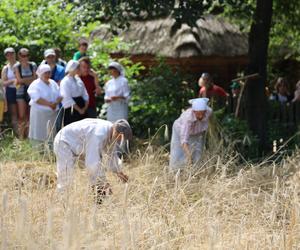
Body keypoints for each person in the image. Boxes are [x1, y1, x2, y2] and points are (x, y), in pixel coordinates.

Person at [53, 118, 132, 203]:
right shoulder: (98, 134)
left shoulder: (111, 131)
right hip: (64, 141)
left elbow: (111, 155)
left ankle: (99, 200)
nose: (119, 141)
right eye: (119, 138)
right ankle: (61, 202)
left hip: (77, 145)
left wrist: (119, 172)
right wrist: (103, 183)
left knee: (95, 175)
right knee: (66, 177)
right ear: (117, 133)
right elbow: (92, 163)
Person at [169, 98, 212, 171]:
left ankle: (196, 170)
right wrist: (189, 158)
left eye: (203, 113)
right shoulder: (187, 118)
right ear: (194, 111)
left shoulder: (208, 111)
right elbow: (184, 141)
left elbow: (209, 120)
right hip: (180, 130)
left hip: (197, 131)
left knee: (197, 150)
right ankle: (177, 170)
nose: (201, 116)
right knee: (178, 151)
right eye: (198, 114)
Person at [27, 65, 62, 147]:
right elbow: (37, 98)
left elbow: (60, 95)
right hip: (39, 114)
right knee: (38, 132)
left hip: (52, 114)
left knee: (50, 133)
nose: (47, 74)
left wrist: (55, 103)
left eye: (49, 72)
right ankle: (38, 151)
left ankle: (50, 151)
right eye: (45, 73)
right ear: (40, 73)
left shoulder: (53, 83)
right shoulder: (35, 84)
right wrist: (50, 105)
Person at [14, 48, 37, 139]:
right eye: (23, 55)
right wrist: (29, 79)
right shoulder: (16, 66)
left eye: (27, 55)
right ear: (19, 56)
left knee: (31, 114)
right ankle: (21, 136)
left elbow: (35, 78)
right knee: (22, 115)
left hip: (32, 91)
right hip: (20, 92)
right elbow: (19, 80)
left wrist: (24, 80)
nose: (25, 57)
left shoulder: (33, 65)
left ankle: (29, 135)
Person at [60, 60, 89, 126]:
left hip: (81, 104)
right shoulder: (65, 81)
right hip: (72, 108)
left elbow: (85, 93)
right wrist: (79, 110)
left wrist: (85, 107)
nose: (79, 69)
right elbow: (66, 97)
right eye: (77, 68)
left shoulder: (78, 79)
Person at [1, 47, 18, 134]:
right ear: (6, 56)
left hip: (22, 91)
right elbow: (3, 83)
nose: (10, 56)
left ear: (15, 54)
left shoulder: (21, 65)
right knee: (14, 114)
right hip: (11, 91)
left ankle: (25, 133)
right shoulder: (6, 68)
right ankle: (18, 135)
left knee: (24, 114)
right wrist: (13, 81)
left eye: (12, 53)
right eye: (8, 54)